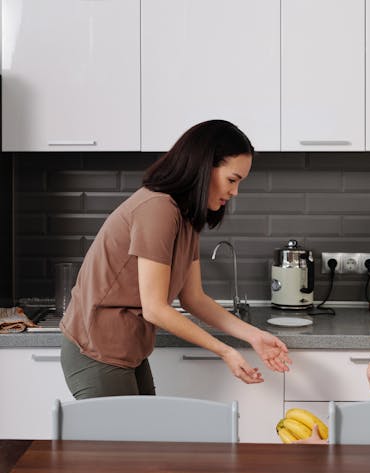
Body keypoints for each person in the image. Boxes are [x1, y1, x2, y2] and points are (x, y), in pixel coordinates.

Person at [59, 120, 291, 399]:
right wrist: (224, 351)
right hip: (95, 349)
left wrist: (253, 336)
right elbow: (155, 309)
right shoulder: (158, 209)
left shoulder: (186, 216)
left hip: (127, 350)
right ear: (205, 167)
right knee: (126, 442)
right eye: (232, 179)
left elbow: (194, 298)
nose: (235, 192)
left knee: (148, 440)